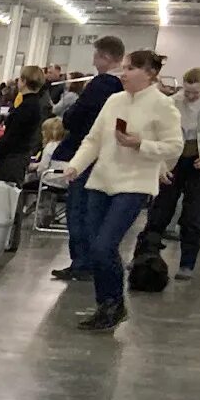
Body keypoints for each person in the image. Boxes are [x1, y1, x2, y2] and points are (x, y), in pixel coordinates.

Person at [60, 49, 181, 331]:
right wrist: (75, 166)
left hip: (134, 184)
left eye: (130, 69)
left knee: (105, 245)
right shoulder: (114, 101)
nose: (123, 74)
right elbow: (93, 140)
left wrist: (141, 144)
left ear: (149, 73)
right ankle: (108, 304)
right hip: (101, 180)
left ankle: (113, 302)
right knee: (95, 246)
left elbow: (174, 146)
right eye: (123, 68)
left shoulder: (164, 106)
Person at [49, 34, 126, 282]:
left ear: (104, 56)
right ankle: (93, 261)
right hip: (112, 155)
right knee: (97, 211)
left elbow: (75, 117)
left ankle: (81, 262)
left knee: (79, 209)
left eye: (95, 55)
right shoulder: (125, 88)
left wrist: (70, 117)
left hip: (88, 153)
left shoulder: (101, 84)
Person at [146, 66, 200, 280]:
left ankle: (187, 264)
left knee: (193, 215)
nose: (190, 96)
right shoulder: (173, 101)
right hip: (174, 159)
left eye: (195, 93)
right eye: (187, 91)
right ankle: (146, 255)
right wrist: (161, 165)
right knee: (160, 211)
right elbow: (160, 134)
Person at [0, 64, 52, 194]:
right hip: (21, 154)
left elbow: (12, 135)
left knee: (7, 194)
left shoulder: (26, 106)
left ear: (24, 81)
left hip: (13, 157)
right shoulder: (34, 103)